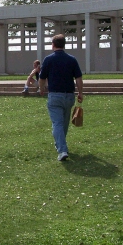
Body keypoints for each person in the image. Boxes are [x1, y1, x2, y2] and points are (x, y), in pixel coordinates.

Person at [38, 34, 84, 162]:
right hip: (69, 95)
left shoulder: (48, 59)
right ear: (64, 45)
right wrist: (80, 93)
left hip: (55, 96)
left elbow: (42, 78)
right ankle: (61, 145)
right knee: (64, 123)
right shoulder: (72, 59)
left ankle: (62, 149)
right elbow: (78, 78)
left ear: (53, 44)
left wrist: (41, 89)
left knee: (57, 123)